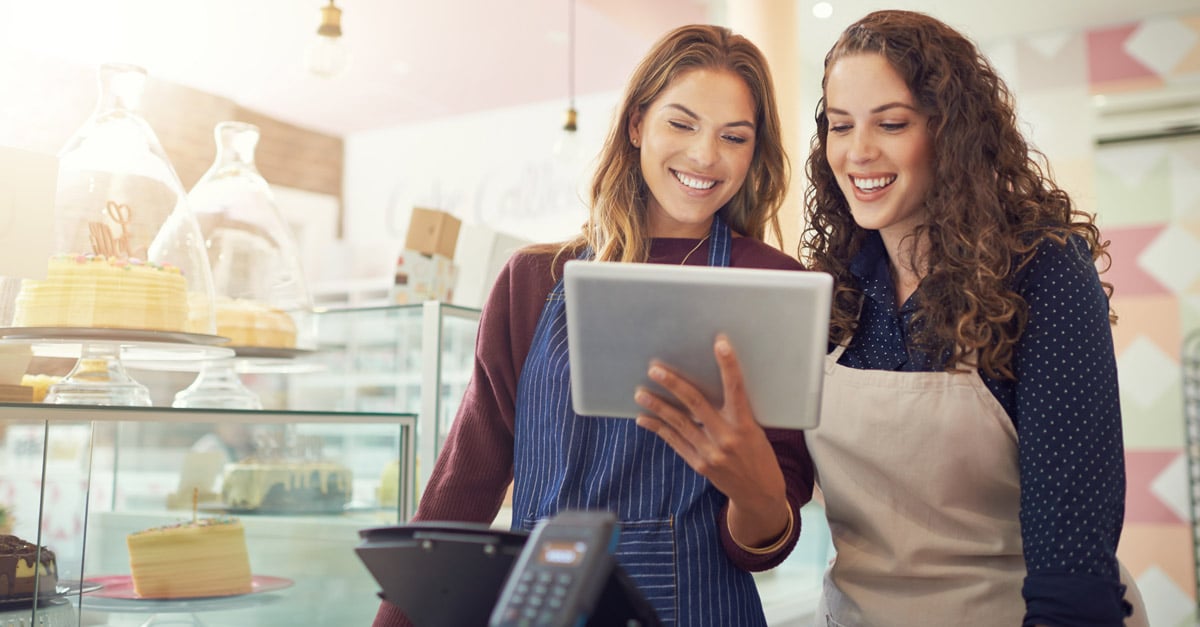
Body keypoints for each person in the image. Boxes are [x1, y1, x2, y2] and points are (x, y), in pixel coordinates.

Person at [640, 9, 1147, 627]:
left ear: (950, 130)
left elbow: (1074, 568)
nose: (858, 152)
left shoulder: (1041, 271)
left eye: (892, 123)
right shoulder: (830, 291)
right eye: (841, 125)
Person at [372, 24, 814, 627]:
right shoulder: (532, 279)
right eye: (681, 123)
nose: (705, 156)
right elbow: (466, 479)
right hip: (541, 609)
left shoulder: (773, 283)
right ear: (637, 124)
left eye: (733, 137)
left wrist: (752, 488)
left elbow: (765, 538)